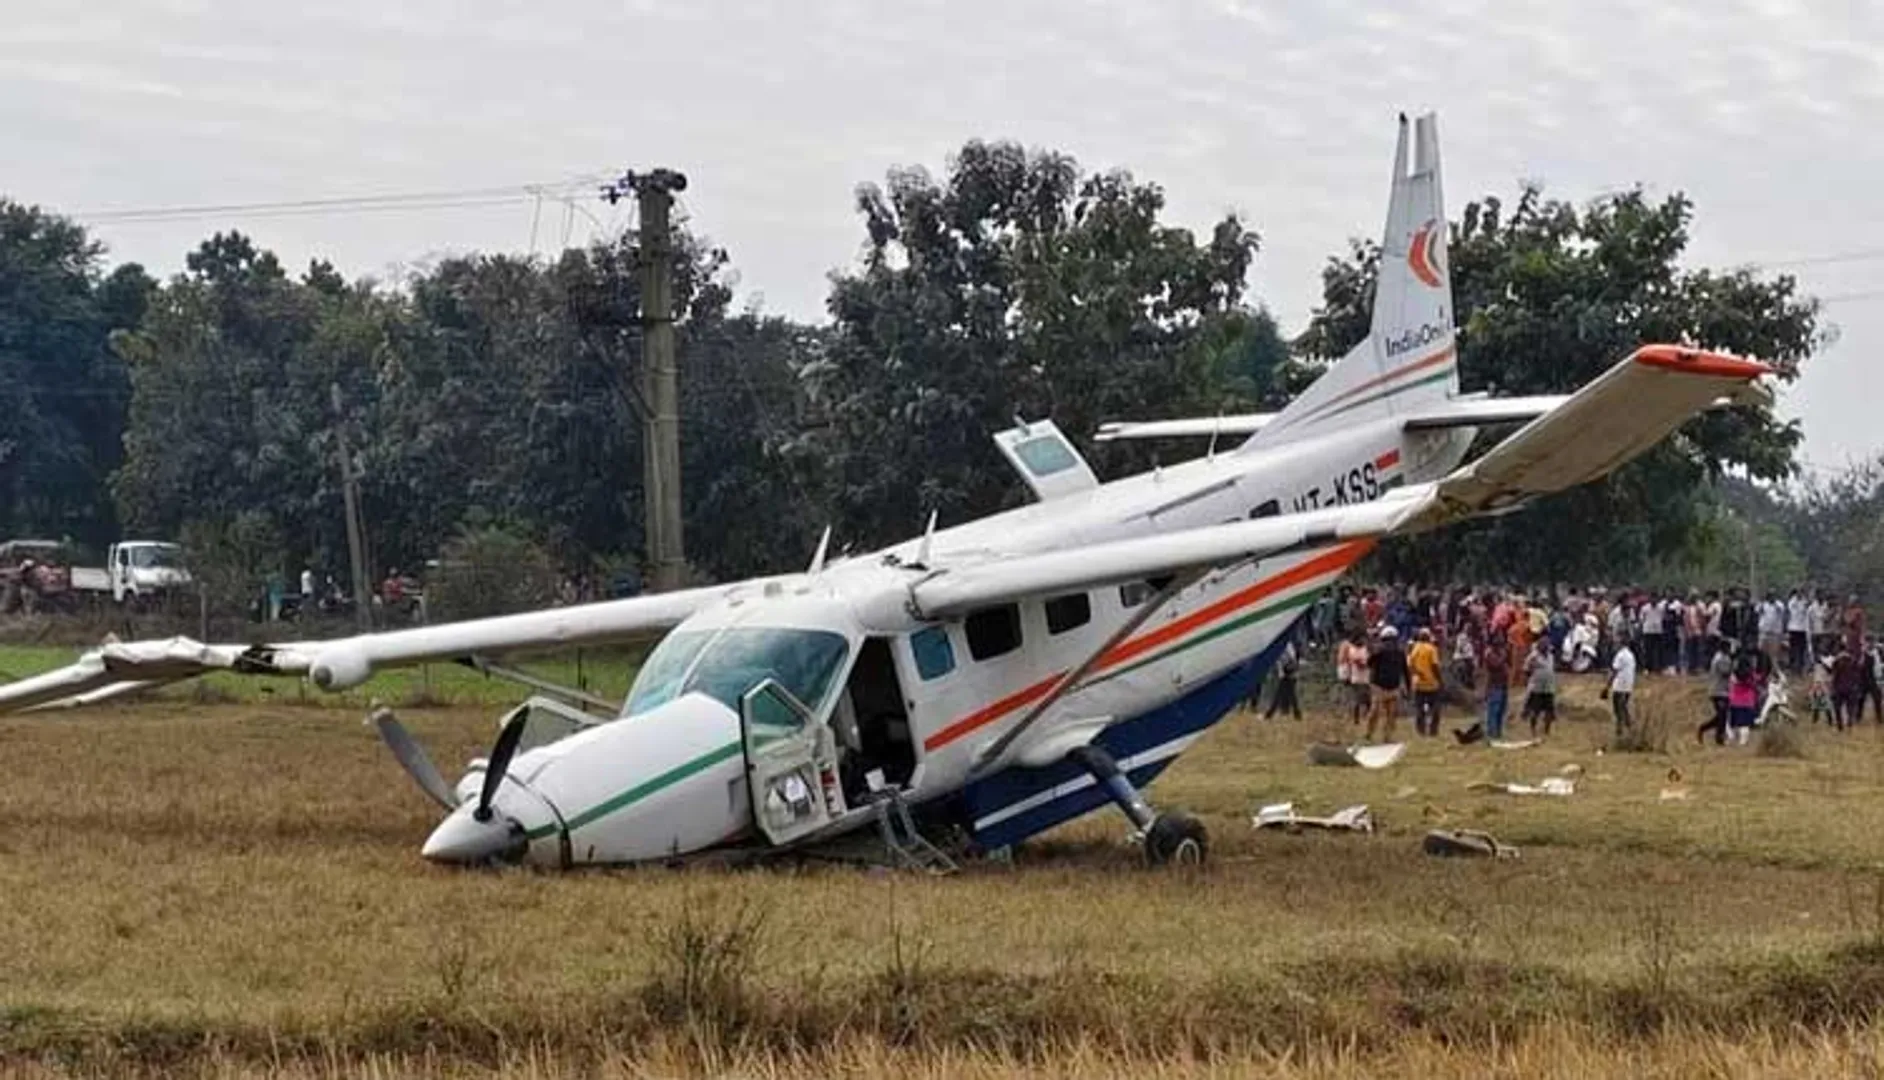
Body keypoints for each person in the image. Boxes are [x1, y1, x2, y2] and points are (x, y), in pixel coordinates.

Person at [1365, 626, 1407, 742]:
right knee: (1391, 713)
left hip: (1380, 685)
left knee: (1376, 711)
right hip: (1391, 685)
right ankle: (1386, 736)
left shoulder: (1380, 650)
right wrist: (1408, 687)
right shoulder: (1400, 652)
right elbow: (1405, 670)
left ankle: (1370, 734)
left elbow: (1369, 663)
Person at [1407, 628, 1443, 737]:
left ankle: (1421, 730)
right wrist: (1440, 679)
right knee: (1435, 708)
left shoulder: (1415, 648)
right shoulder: (1431, 649)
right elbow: (1434, 665)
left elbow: (1410, 665)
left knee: (1419, 708)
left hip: (1418, 683)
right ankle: (1433, 730)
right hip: (1432, 683)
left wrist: (1416, 674)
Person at [1698, 640, 1733, 746]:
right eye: (1728, 647)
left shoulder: (1723, 657)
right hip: (1718, 691)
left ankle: (1704, 728)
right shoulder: (1720, 659)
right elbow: (1725, 672)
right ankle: (1719, 738)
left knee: (1722, 716)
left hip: (1723, 690)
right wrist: (1734, 666)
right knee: (1722, 715)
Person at [1522, 638, 1558, 737]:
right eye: (1544, 646)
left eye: (1547, 646)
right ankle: (1533, 730)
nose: (1546, 648)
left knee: (1549, 711)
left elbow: (1551, 669)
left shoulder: (1551, 656)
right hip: (1537, 688)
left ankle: (1547, 730)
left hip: (1549, 687)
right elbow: (1526, 669)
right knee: (1535, 710)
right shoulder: (1533, 656)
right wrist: (1531, 678)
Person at [1337, 630, 1371, 726]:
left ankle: (1366, 716)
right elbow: (1356, 661)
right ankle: (1356, 719)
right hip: (1357, 677)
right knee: (1358, 699)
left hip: (1366, 677)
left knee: (1367, 699)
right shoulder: (1352, 649)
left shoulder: (1364, 649)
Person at [1481, 631, 1511, 742]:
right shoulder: (1489, 653)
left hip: (1503, 685)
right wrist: (1504, 656)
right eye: (1498, 640)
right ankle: (1492, 733)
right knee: (1493, 710)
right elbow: (1495, 665)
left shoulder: (1501, 652)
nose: (1501, 641)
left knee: (1501, 711)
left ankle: (1498, 733)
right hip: (1494, 685)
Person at [1264, 640, 1303, 720]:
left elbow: (1289, 659)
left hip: (1288, 671)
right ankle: (1297, 714)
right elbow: (1285, 660)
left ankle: (1269, 714)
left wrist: (1283, 672)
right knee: (1290, 694)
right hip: (1289, 671)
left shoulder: (1285, 646)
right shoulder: (1287, 645)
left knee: (1282, 694)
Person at [1728, 654, 1761, 746]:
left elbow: (1730, 684)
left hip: (1735, 702)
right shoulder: (1751, 675)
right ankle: (1744, 741)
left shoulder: (1734, 674)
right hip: (1748, 702)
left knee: (1737, 723)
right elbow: (1757, 681)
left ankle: (1736, 739)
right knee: (1745, 724)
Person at [1608, 635, 1638, 734]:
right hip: (1628, 686)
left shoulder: (1620, 656)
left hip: (1619, 686)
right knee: (1623, 706)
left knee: (1618, 709)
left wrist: (1607, 687)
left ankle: (1620, 728)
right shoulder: (1631, 655)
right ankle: (1629, 727)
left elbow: (1614, 671)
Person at [1786, 589, 1811, 674]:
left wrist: (1805, 601)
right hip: (1793, 628)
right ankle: (1792, 666)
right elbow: (1790, 610)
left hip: (1802, 629)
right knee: (1793, 649)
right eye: (1798, 593)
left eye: (1802, 593)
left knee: (1802, 649)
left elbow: (1807, 608)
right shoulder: (1792, 602)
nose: (1800, 594)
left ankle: (1800, 667)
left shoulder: (1805, 602)